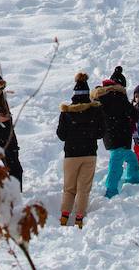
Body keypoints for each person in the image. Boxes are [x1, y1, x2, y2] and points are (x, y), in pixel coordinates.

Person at [56, 71, 104, 228]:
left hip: (71, 155)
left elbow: (61, 135)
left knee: (69, 189)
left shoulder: (66, 112)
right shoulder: (95, 110)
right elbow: (100, 133)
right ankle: (79, 219)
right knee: (84, 189)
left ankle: (64, 217)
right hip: (89, 154)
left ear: (74, 94)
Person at [91, 65, 139, 198]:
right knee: (116, 165)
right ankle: (111, 190)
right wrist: (137, 111)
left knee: (131, 158)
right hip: (119, 135)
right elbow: (135, 114)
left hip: (110, 134)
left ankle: (134, 178)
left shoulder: (102, 96)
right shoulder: (119, 97)